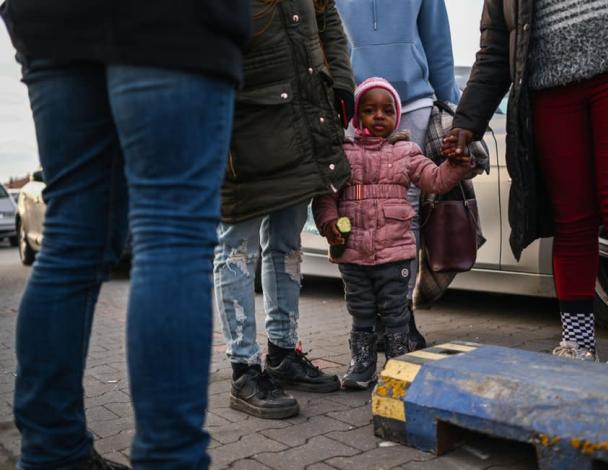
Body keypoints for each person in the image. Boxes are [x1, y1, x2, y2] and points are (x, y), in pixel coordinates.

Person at [1, 0, 250, 468]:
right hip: (169, 19)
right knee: (171, 234)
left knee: (70, 240)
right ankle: (168, 459)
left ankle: (52, 453)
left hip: (51, 18)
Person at [444, 0, 608, 369]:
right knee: (570, 219)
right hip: (549, 89)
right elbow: (497, 45)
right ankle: (576, 345)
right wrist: (467, 120)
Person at [214, 0, 355, 420]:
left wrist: (342, 82)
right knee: (237, 250)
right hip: (243, 124)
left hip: (301, 119)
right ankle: (244, 369)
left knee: (287, 244)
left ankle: (282, 352)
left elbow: (327, 17)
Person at [313, 77, 471, 389]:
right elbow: (326, 197)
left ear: (396, 116)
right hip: (354, 254)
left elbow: (435, 180)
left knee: (396, 312)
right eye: (370, 110)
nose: (379, 116)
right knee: (360, 312)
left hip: (395, 253)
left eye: (387, 110)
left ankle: (398, 365)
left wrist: (455, 166)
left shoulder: (407, 152)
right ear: (358, 117)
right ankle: (361, 366)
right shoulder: (343, 155)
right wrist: (329, 223)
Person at [337, 0, 461, 351]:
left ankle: (399, 314)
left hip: (412, 103)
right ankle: (369, 317)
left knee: (405, 212)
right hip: (354, 102)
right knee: (355, 206)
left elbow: (438, 42)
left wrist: (451, 105)